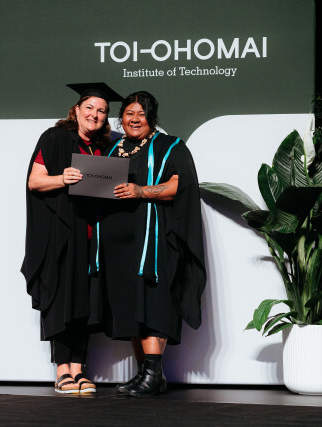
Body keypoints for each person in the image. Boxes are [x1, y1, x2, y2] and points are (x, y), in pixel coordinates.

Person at [99, 90, 206, 397]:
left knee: (154, 300)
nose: (135, 119)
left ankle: (154, 374)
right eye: (129, 113)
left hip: (153, 239)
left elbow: (181, 185)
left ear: (152, 118)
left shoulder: (170, 145)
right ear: (121, 117)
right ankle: (144, 373)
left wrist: (140, 191)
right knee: (131, 304)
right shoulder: (112, 148)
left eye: (142, 114)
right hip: (119, 243)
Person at [21, 82, 122, 394]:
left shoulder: (105, 148)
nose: (94, 114)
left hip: (92, 237)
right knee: (62, 300)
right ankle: (62, 370)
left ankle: (79, 369)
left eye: (101, 110)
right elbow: (35, 181)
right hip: (63, 236)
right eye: (89, 107)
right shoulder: (55, 138)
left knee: (87, 303)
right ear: (76, 110)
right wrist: (61, 178)